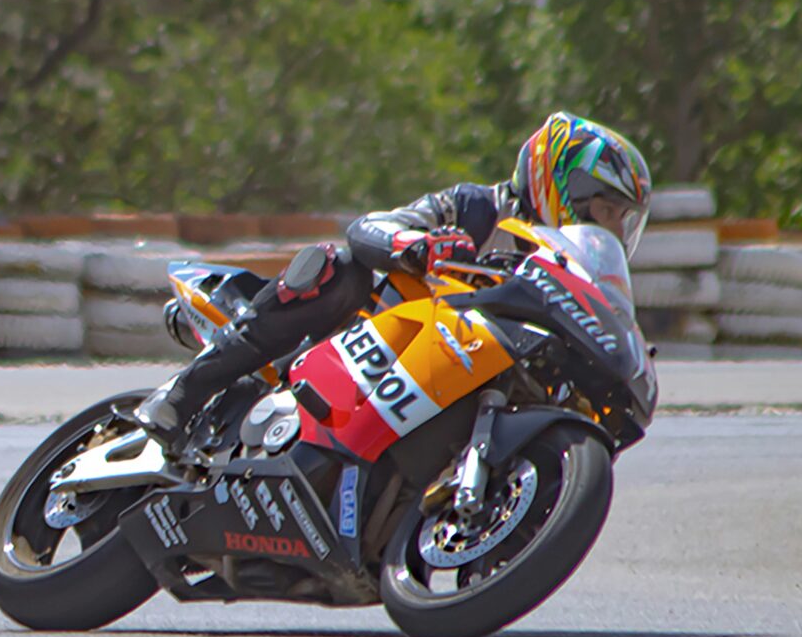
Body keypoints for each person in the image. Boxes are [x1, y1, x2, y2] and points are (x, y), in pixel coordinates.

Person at [132, 112, 653, 450]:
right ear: (561, 181)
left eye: (619, 219)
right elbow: (371, 228)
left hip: (443, 375)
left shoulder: (564, 270)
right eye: (605, 208)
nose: (608, 226)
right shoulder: (477, 208)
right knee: (337, 268)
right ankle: (183, 393)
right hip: (364, 336)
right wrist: (414, 246)